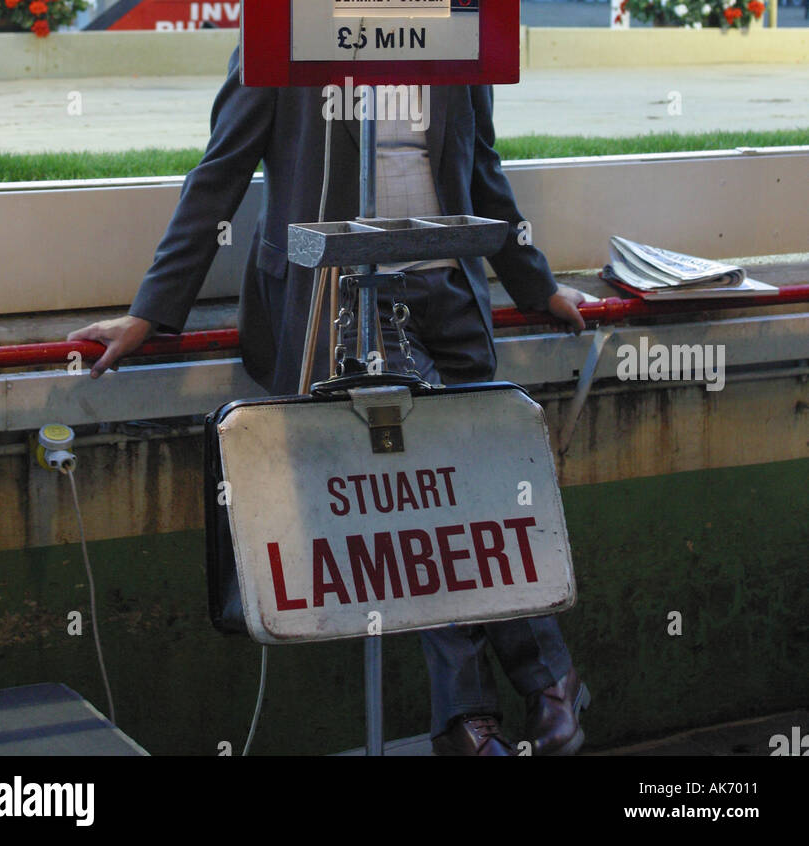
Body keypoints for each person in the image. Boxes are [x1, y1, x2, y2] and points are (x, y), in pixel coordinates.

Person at [71, 52, 591, 757]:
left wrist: (537, 286)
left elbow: (481, 171)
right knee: (423, 500)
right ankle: (511, 698)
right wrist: (152, 311)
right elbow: (219, 171)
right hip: (342, 301)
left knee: (490, 490)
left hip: (448, 292)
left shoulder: (455, 32)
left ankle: (496, 707)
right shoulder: (288, 34)